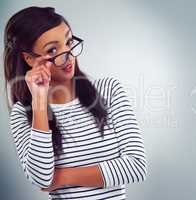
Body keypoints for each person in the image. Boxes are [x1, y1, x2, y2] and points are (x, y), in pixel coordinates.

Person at [4, 6, 148, 199]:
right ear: (29, 58)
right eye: (53, 49)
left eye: (68, 42)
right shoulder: (23, 113)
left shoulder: (109, 90)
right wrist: (39, 101)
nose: (68, 54)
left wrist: (63, 176)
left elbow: (136, 166)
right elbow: (42, 179)